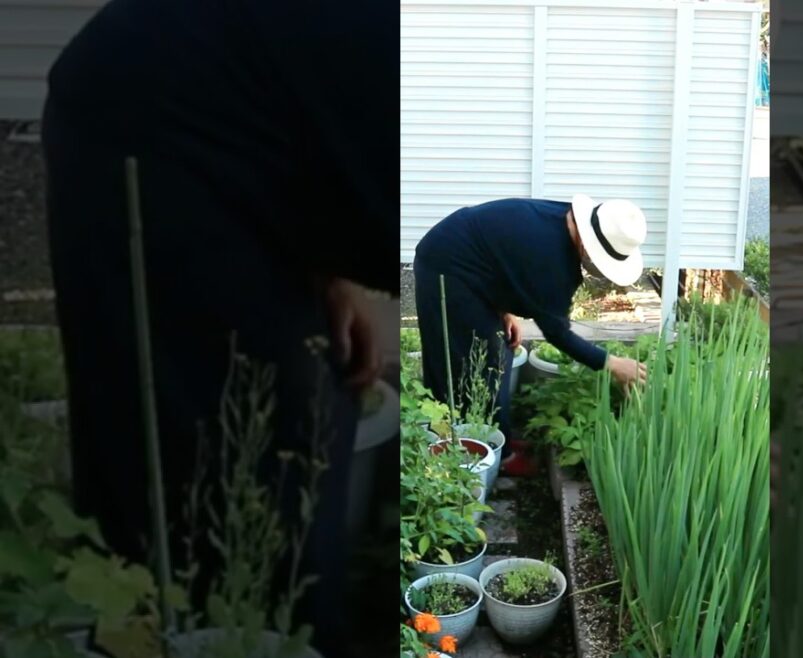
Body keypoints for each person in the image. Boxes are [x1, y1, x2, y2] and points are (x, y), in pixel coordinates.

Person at [41, 1, 394, 656]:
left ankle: (294, 628)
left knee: (306, 429)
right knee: (206, 493)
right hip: (156, 118)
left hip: (265, 124)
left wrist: (328, 271)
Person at [413, 195, 649, 472]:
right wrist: (612, 363)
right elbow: (557, 333)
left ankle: (496, 441)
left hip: (468, 260)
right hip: (445, 266)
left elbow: (504, 256)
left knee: (498, 355)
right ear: (587, 243)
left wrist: (504, 309)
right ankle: (472, 454)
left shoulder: (561, 218)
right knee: (467, 367)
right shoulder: (553, 260)